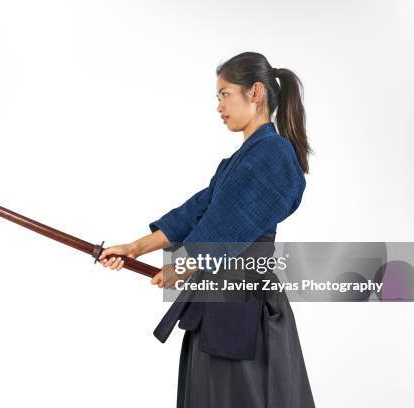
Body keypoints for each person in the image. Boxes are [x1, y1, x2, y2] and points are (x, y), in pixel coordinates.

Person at [98, 52, 316, 407]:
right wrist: (134, 248)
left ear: (255, 92)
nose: (219, 106)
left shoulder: (273, 153)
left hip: (246, 302)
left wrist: (184, 265)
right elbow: (196, 212)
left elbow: (232, 221)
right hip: (217, 298)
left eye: (224, 94)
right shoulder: (238, 161)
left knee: (244, 396)